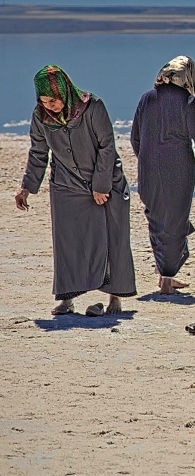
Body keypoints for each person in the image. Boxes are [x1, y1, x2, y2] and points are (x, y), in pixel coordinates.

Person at [14, 65, 137, 316]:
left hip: (106, 183)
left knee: (113, 237)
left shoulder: (93, 107)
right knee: (68, 242)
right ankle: (67, 300)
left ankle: (115, 297)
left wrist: (100, 186)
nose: (50, 105)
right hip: (65, 186)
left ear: (65, 91)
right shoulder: (40, 117)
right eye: (44, 100)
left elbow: (106, 146)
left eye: (53, 99)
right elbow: (39, 152)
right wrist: (27, 187)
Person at [130, 56, 195, 294]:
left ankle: (164, 276)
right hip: (179, 170)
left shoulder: (146, 98)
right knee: (176, 221)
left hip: (148, 170)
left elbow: (135, 138)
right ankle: (168, 280)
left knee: (157, 220)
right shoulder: (189, 102)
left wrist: (147, 160)